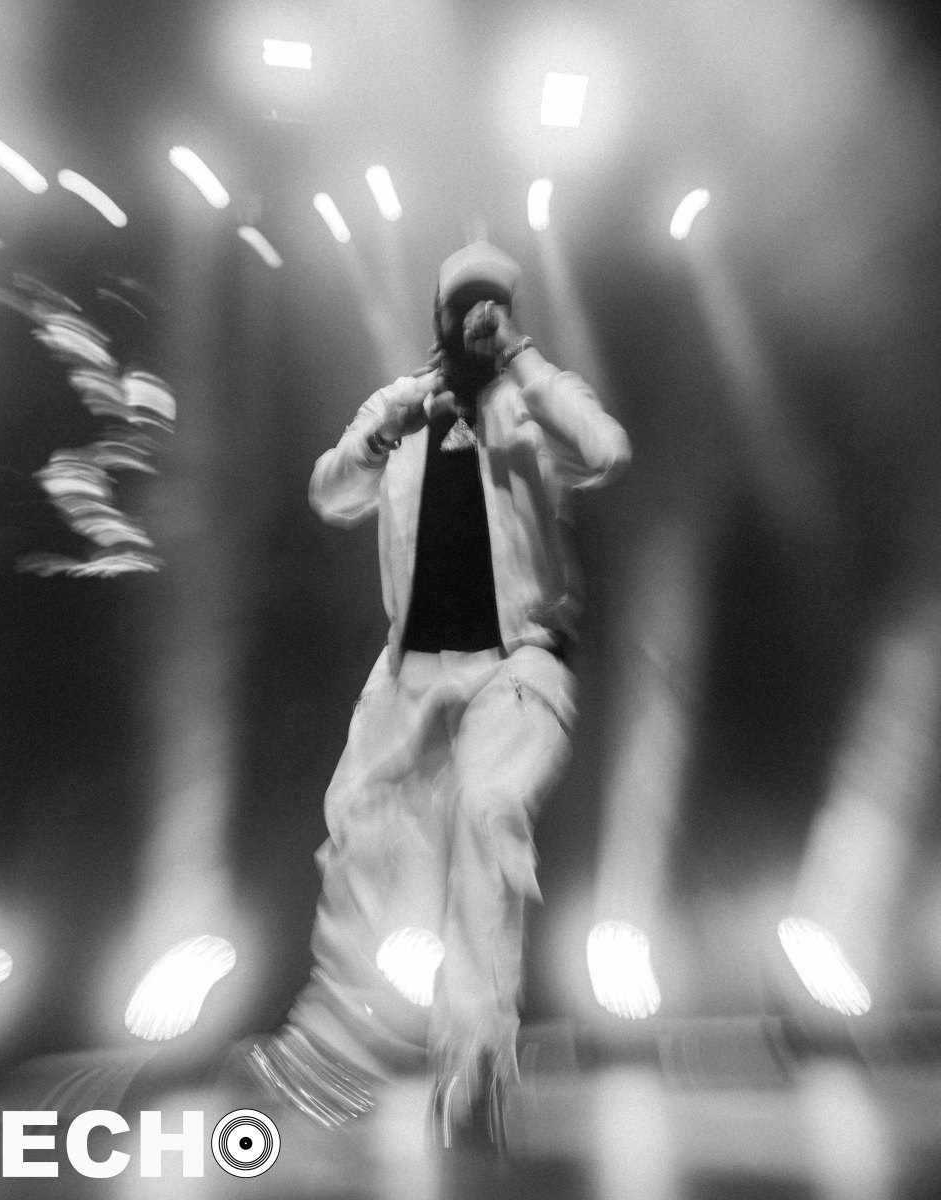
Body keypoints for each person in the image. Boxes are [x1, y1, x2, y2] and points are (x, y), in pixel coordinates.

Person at [243, 241, 630, 1150]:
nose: (480, 320)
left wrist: (523, 361)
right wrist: (389, 425)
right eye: (467, 307)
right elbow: (330, 492)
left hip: (516, 664)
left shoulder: (532, 400)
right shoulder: (401, 406)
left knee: (487, 813)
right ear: (440, 318)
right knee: (358, 821)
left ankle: (479, 1056)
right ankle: (337, 1041)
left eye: (496, 305)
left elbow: (604, 450)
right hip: (412, 666)